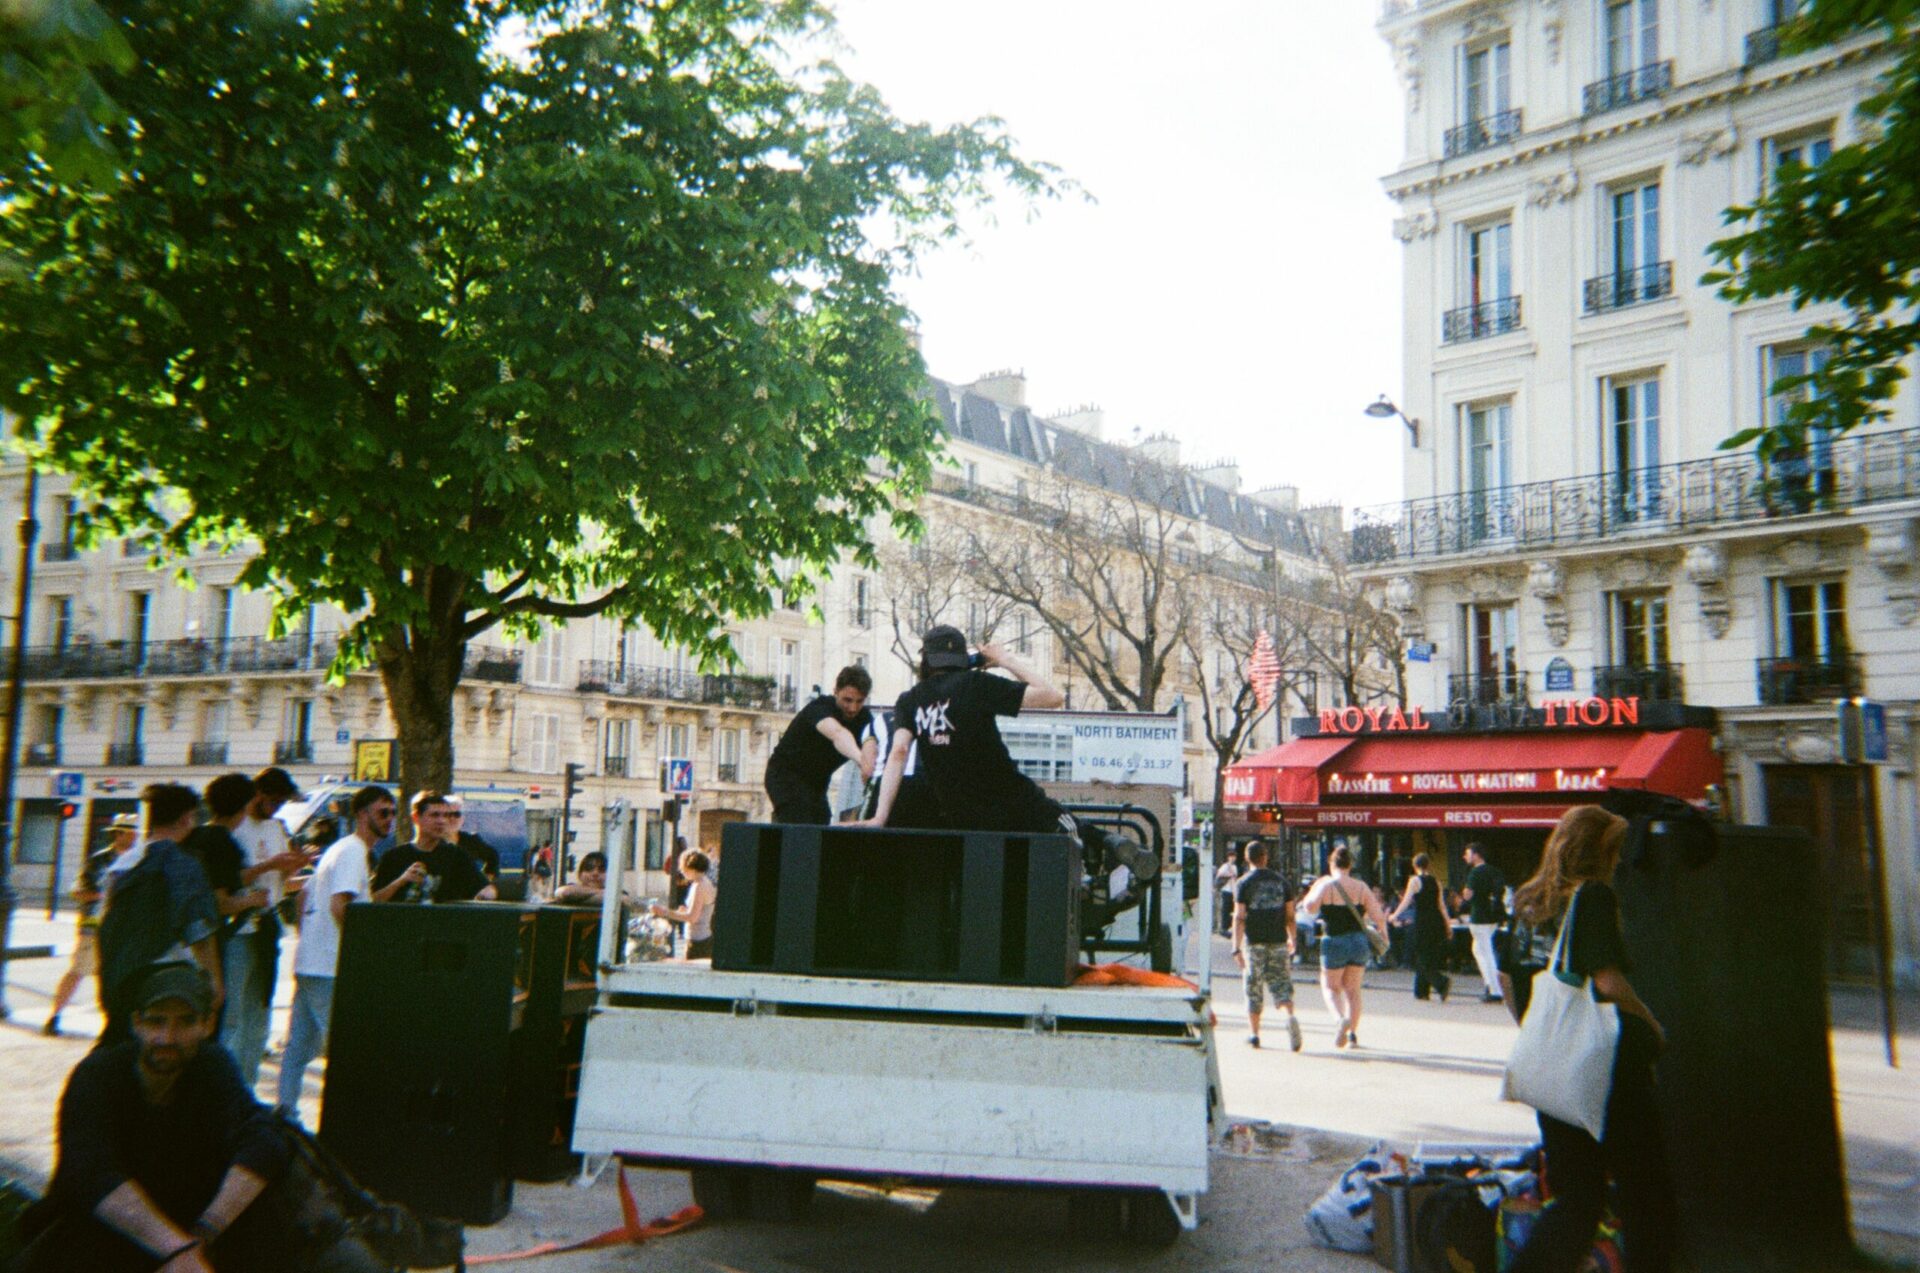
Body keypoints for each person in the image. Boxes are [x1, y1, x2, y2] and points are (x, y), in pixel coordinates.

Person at [864, 625, 1160, 919]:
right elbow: (1052, 696)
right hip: (1011, 796)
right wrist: (1005, 659)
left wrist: (880, 817)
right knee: (1067, 832)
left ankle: (1091, 871)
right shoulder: (977, 684)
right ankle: (1103, 855)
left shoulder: (910, 701)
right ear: (963, 659)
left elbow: (898, 752)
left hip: (964, 815)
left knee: (1004, 879)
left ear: (926, 659)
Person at [1508, 806, 1675, 1273]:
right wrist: (1651, 1023)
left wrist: (1544, 1036)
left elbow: (1508, 979)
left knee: (1578, 1198)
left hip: (1553, 1071)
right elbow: (1608, 982)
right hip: (1607, 1070)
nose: (1618, 862)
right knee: (1646, 1190)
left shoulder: (1528, 902)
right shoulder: (1593, 897)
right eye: (1614, 851)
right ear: (1598, 852)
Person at [277, 786, 394, 1121]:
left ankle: (285, 1116)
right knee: (344, 1048)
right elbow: (340, 905)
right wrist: (360, 951)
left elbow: (304, 897)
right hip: (330, 966)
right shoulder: (353, 852)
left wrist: (310, 940)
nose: (389, 819)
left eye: (392, 813)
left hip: (313, 963)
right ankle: (346, 1122)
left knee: (299, 1047)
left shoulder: (341, 849)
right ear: (361, 814)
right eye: (383, 812)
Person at [96, 785, 224, 1047]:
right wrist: (214, 980)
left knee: (122, 1044)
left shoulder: (123, 862)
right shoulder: (183, 863)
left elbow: (105, 921)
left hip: (120, 972)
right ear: (186, 818)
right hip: (167, 974)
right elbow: (198, 928)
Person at [225, 768, 308, 1085]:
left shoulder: (276, 828)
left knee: (259, 1011)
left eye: (281, 803)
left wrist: (292, 869)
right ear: (257, 794)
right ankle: (225, 1089)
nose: (276, 808)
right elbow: (228, 878)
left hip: (267, 924)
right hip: (239, 925)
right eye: (273, 801)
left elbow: (280, 884)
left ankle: (246, 1086)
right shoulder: (236, 826)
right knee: (233, 1013)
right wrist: (271, 865)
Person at [180, 775, 268, 1034]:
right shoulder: (223, 842)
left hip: (183, 941)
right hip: (210, 943)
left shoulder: (195, 836)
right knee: (218, 1022)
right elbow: (219, 904)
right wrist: (253, 900)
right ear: (243, 807)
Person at [43, 813, 139, 1037]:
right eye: (130, 833)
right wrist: (102, 895)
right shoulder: (99, 860)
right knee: (78, 971)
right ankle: (54, 1016)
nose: (134, 837)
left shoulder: (138, 860)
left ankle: (113, 1024)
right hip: (94, 926)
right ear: (119, 834)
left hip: (124, 927)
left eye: (135, 833)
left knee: (114, 977)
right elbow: (78, 891)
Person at [1299, 847, 1392, 1049]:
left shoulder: (1326, 884)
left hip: (1334, 940)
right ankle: (1352, 1036)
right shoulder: (1361, 887)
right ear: (1350, 865)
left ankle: (1340, 1019)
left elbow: (1309, 908)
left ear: (1331, 864)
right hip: (1359, 941)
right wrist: (1384, 936)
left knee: (1330, 987)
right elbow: (1378, 915)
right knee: (1353, 990)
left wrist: (1316, 887)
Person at [764, 666, 879, 824]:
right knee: (800, 820)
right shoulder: (820, 707)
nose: (853, 708)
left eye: (859, 701)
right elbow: (838, 734)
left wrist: (870, 765)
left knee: (821, 823)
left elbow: (874, 747)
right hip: (784, 775)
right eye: (847, 700)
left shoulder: (865, 719)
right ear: (836, 692)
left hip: (817, 783)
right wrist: (861, 760)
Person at [1231, 842, 1301, 1052]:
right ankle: (1289, 1016)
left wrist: (1236, 947)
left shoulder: (1243, 883)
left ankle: (1255, 1035)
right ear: (1266, 857)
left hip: (1254, 943)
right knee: (1282, 984)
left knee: (1253, 987)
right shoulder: (1282, 882)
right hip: (1278, 941)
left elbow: (1239, 917)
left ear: (1247, 858)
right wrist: (1293, 939)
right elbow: (1290, 916)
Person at [370, 790, 496, 904]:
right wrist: (401, 881)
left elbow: (486, 888)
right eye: (435, 815)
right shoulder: (394, 857)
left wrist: (487, 894)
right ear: (416, 817)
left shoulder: (456, 856)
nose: (442, 821)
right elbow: (372, 901)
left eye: (445, 815)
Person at [1390, 852, 1454, 1003]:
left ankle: (1441, 982)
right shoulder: (1436, 881)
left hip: (1422, 921)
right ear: (1428, 865)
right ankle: (1421, 991)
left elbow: (1406, 901)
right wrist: (1448, 924)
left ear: (1415, 866)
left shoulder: (1414, 880)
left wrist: (1394, 915)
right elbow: (1441, 905)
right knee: (1429, 954)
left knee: (1420, 955)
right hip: (1436, 921)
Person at [1461, 842, 1508, 1003]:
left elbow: (1468, 895)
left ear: (1476, 855)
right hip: (1493, 916)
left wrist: (1465, 894)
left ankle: (1495, 989)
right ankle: (1490, 983)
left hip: (1479, 916)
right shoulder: (1494, 871)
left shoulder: (1474, 873)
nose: (1465, 857)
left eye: (1468, 853)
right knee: (1479, 950)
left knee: (1486, 953)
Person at [649, 850, 714, 959]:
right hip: (701, 938)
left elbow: (692, 917)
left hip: (698, 942)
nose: (681, 871)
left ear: (692, 868)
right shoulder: (704, 882)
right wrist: (684, 911)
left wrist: (665, 912)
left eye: (683, 868)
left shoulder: (699, 886)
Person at [447, 799, 500, 883]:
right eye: (447, 814)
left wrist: (485, 880)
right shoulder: (432, 841)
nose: (452, 818)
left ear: (462, 819)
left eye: (457, 814)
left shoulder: (471, 841)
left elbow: (492, 856)